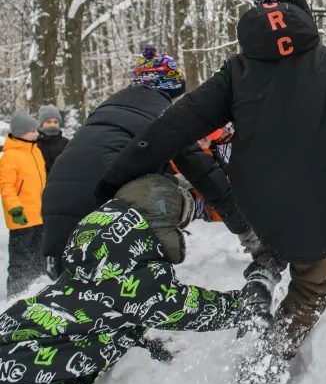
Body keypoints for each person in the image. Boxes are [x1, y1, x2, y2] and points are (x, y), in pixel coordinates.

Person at [94, 0, 326, 384]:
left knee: (269, 244)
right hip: (315, 202)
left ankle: (262, 277)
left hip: (255, 202)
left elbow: (173, 126)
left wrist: (114, 177)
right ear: (304, 14)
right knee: (311, 285)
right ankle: (268, 360)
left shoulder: (236, 71)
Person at [0, 174, 249, 384]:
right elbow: (186, 307)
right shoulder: (136, 281)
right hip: (29, 383)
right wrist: (247, 303)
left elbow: (100, 318)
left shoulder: (92, 264)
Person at [40, 45, 247, 281]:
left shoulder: (107, 107)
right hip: (102, 212)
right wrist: (241, 224)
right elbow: (200, 168)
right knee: (173, 190)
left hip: (55, 212)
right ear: (171, 88)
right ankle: (148, 278)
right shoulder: (164, 112)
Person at [1, 111, 46, 295]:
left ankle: (34, 291)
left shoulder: (35, 152)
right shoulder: (10, 157)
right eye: (33, 130)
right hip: (22, 218)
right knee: (21, 259)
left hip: (39, 216)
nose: (37, 133)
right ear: (21, 132)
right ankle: (16, 294)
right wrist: (15, 210)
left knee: (37, 258)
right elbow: (6, 186)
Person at [36, 104, 70, 174]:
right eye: (48, 122)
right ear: (41, 123)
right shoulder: (35, 144)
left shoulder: (66, 143)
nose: (52, 125)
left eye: (55, 122)